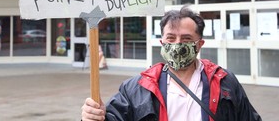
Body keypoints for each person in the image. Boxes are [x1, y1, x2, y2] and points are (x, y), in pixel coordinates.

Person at [81, 6, 262, 121]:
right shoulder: (136, 89)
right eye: (171, 38)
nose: (177, 44)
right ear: (162, 43)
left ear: (199, 44)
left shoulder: (225, 82)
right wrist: (94, 117)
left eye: (186, 38)